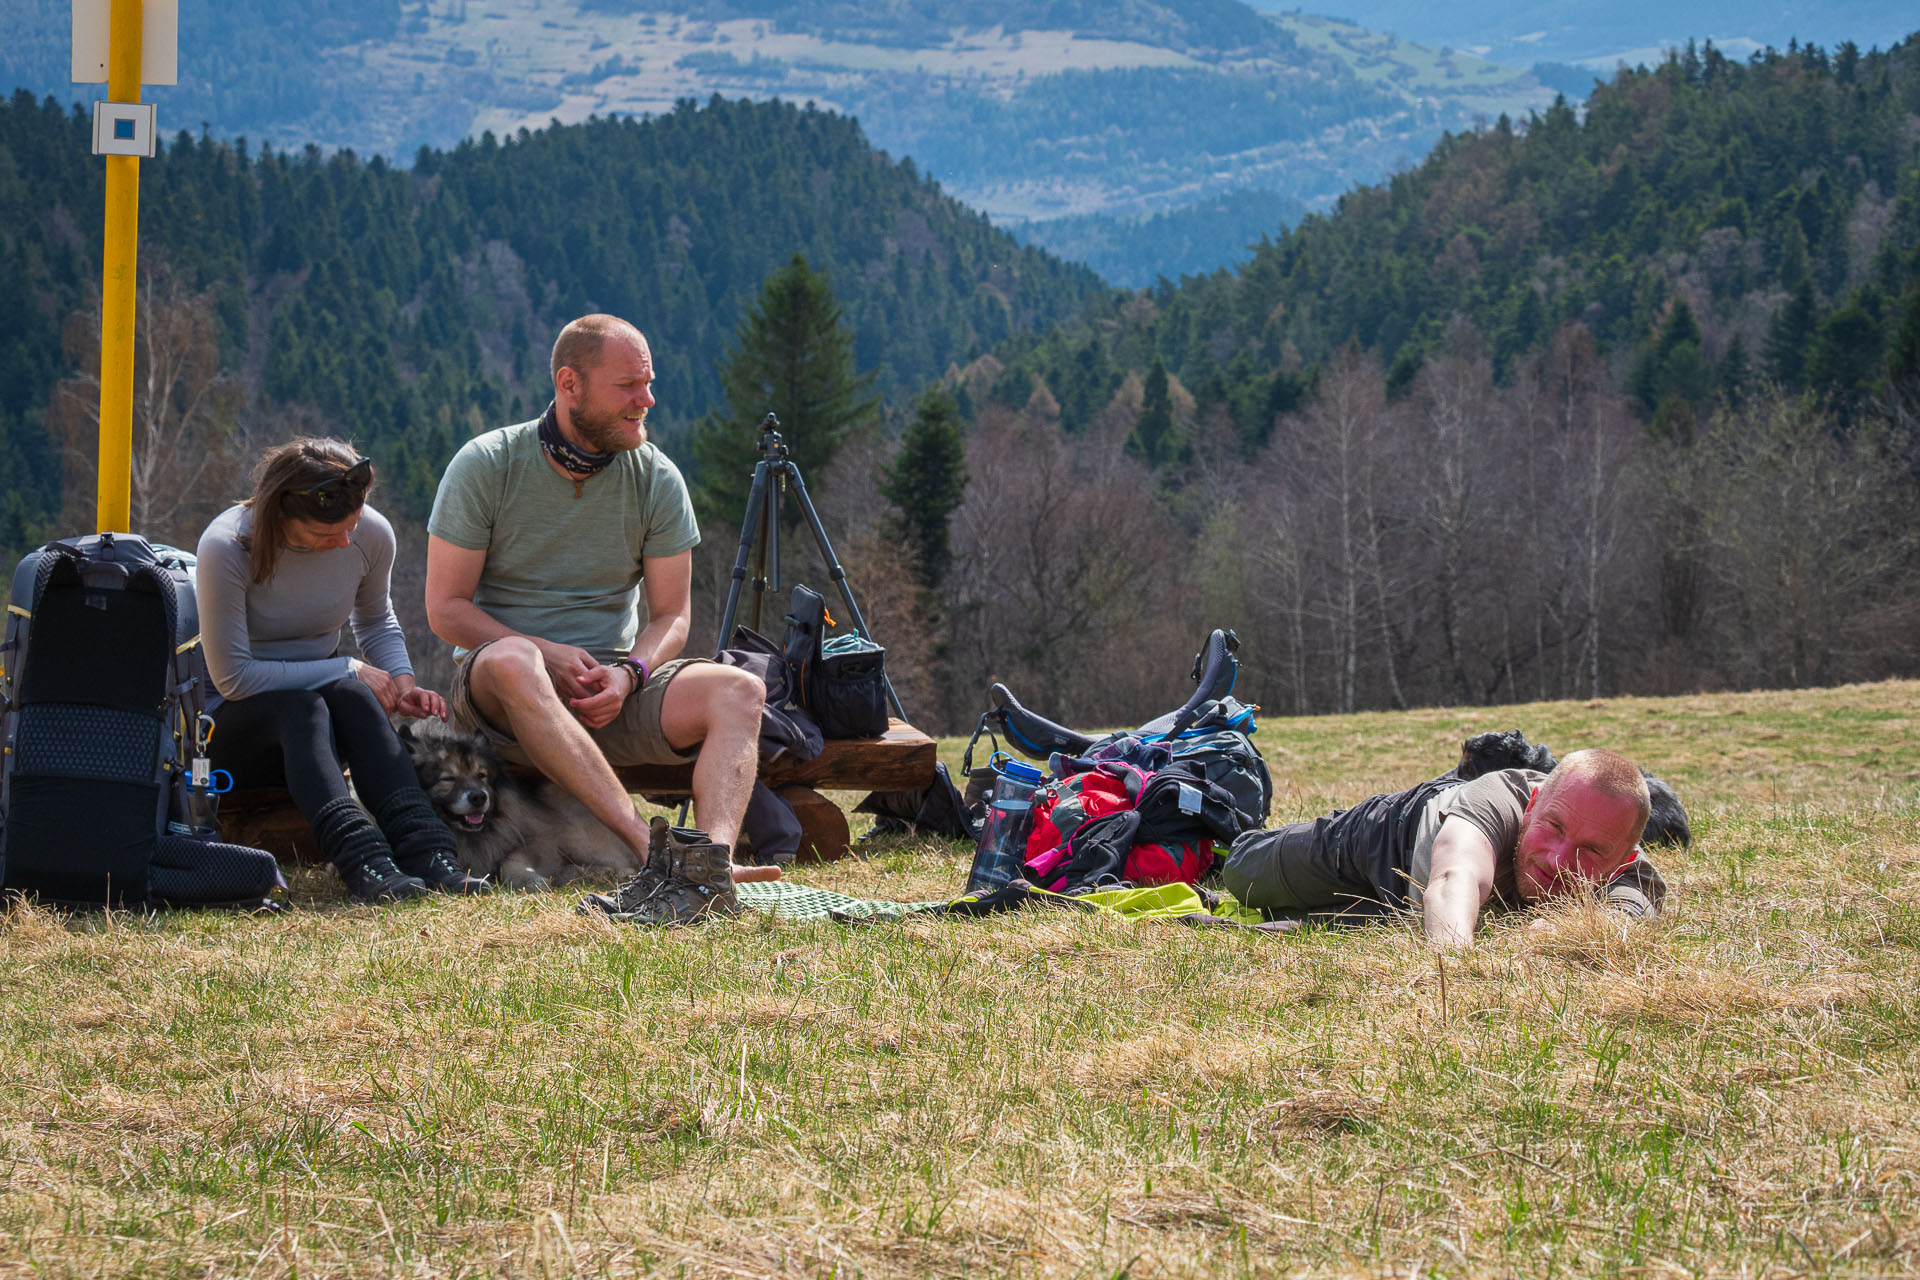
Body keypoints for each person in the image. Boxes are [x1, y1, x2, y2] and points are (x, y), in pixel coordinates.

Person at [424, 313, 775, 925]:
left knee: (740, 690)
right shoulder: (487, 464)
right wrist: (545, 652)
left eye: (649, 382)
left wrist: (632, 674)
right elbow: (446, 610)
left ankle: (708, 868)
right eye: (628, 386)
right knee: (515, 660)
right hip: (500, 696)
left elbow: (671, 615)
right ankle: (649, 848)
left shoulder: (657, 477)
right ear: (570, 384)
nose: (647, 400)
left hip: (610, 687)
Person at [196, 439, 490, 903]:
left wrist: (401, 680)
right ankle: (363, 862)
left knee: (352, 698)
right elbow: (234, 678)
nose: (344, 541)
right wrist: (348, 665)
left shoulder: (371, 534)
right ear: (281, 517)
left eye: (351, 526)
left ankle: (431, 855)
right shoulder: (227, 546)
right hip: (227, 734)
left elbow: (375, 620)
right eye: (325, 536)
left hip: (315, 736)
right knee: (306, 706)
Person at [1221, 748, 1665, 947]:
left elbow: (1618, 923)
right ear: (1531, 806)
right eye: (1552, 827)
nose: (1558, 859)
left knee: (1323, 926)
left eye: (1590, 851)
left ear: (1621, 861)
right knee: (1244, 875)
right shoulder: (1497, 799)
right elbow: (1457, 877)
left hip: (1408, 906)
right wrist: (1456, 967)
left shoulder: (1633, 879)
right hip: (1385, 838)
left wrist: (1562, 935)